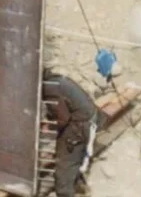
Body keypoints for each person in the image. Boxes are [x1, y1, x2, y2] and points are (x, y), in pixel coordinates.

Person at [43, 69, 103, 197]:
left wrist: (50, 126)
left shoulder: (49, 88)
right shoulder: (57, 80)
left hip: (79, 127)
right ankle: (78, 186)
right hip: (90, 119)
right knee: (76, 158)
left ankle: (65, 192)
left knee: (64, 165)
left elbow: (63, 118)